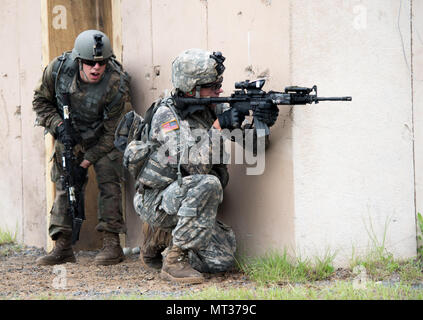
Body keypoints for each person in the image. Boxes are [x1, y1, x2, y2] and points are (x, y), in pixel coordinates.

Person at [120, 48, 278, 283]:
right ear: (192, 88)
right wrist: (217, 128)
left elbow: (256, 147)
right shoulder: (167, 116)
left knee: (220, 261)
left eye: (219, 84)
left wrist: (261, 120)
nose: (219, 90)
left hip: (187, 200)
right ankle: (175, 260)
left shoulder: (210, 107)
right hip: (157, 200)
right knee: (209, 183)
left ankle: (163, 237)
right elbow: (193, 168)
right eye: (212, 86)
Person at [32, 30, 132, 266]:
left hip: (102, 139)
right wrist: (58, 126)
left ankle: (112, 243)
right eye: (89, 63)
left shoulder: (117, 83)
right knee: (65, 183)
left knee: (109, 179)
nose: (96, 68)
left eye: (101, 63)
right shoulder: (57, 70)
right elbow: (40, 102)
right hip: (69, 134)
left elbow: (114, 133)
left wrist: (86, 160)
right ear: (79, 61)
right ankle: (63, 245)